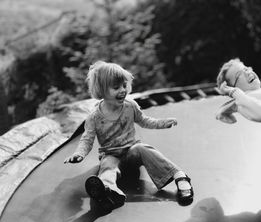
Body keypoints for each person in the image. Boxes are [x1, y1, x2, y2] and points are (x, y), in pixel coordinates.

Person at [64, 61, 194, 211]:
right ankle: (108, 191)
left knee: (143, 148)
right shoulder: (94, 117)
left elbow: (145, 121)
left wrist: (163, 123)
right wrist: (79, 154)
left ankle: (180, 176)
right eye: (116, 87)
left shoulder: (130, 106)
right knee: (107, 168)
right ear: (102, 90)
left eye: (124, 85)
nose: (122, 90)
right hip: (111, 155)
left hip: (132, 152)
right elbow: (87, 139)